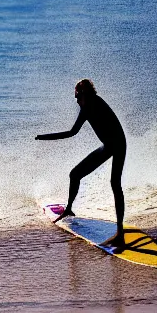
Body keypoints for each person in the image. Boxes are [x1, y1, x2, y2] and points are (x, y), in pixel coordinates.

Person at [36, 79, 128, 249]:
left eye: (78, 96)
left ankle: (120, 233)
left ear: (85, 94)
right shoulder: (85, 109)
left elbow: (115, 129)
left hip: (119, 144)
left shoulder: (98, 103)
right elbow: (72, 132)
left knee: (115, 184)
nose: (76, 100)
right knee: (75, 174)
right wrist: (45, 137)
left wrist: (44, 137)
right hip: (108, 146)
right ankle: (69, 208)